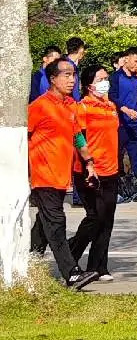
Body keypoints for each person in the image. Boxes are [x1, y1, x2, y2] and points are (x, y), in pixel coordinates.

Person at [27, 53, 91, 288]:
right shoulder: (39, 106)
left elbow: (77, 137)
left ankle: (29, 263)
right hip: (43, 175)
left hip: (61, 176)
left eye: (73, 75)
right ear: (52, 79)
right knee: (56, 222)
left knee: (44, 224)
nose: (72, 80)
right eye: (66, 75)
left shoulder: (70, 106)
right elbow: (21, 137)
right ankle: (71, 273)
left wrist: (89, 162)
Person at [69, 58, 122, 281]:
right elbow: (78, 137)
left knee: (107, 218)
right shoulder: (82, 107)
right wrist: (88, 163)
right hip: (90, 169)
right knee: (95, 217)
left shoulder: (111, 107)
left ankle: (99, 266)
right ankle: (69, 255)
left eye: (106, 78)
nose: (105, 83)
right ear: (89, 85)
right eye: (100, 79)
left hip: (111, 169)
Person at [111, 43, 137, 201]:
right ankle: (115, 190)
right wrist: (125, 109)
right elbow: (112, 97)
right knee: (116, 158)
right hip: (119, 124)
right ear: (126, 59)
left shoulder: (136, 80)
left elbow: (135, 99)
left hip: (134, 124)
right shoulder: (115, 77)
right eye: (135, 61)